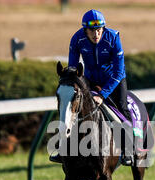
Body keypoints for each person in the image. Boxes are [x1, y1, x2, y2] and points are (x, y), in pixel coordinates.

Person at [50, 9, 133, 166]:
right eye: (92, 31)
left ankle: (129, 148)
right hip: (89, 79)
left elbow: (118, 72)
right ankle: (63, 147)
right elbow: (74, 69)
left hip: (113, 80)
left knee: (122, 108)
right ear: (85, 30)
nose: (96, 34)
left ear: (103, 29)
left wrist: (103, 95)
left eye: (99, 30)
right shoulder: (77, 39)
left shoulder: (113, 38)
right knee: (72, 107)